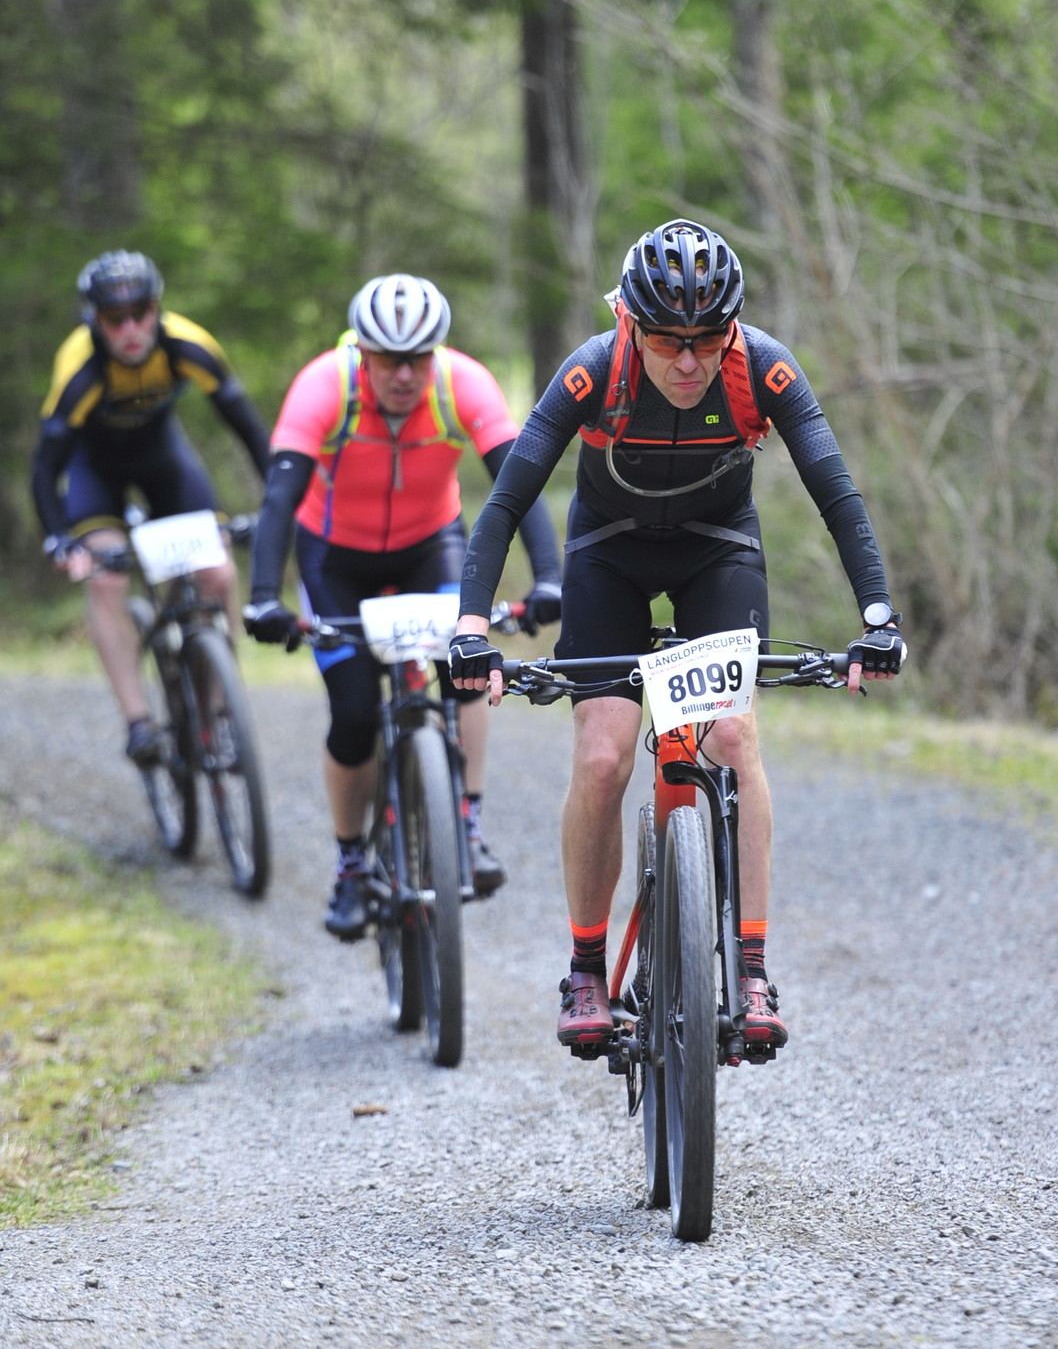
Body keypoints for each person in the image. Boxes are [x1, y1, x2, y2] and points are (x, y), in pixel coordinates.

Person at [449, 219, 906, 1054]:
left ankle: (753, 968)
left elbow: (836, 493)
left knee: (732, 736)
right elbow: (507, 501)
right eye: (667, 340)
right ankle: (587, 968)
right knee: (603, 755)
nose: (689, 361)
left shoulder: (763, 367)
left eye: (707, 339)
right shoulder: (593, 370)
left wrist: (878, 619)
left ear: (732, 328)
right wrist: (471, 630)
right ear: (631, 323)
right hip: (608, 554)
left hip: (716, 553)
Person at [243, 272, 562, 937]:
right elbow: (279, 500)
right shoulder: (324, 385)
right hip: (335, 558)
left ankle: (466, 826)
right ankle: (350, 866)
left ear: (435, 353)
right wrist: (264, 598)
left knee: (466, 668)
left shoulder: (462, 383)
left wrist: (550, 579)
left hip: (430, 547)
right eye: (389, 359)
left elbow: (518, 482)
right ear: (362, 351)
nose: (405, 375)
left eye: (418, 357)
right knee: (355, 712)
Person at [32, 250, 271, 763]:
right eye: (115, 318)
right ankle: (139, 721)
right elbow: (45, 467)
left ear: (156, 308)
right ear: (95, 320)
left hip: (165, 462)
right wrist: (59, 539)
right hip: (96, 472)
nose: (131, 329)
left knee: (217, 573)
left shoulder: (188, 343)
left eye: (140, 313)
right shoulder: (80, 368)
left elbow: (248, 429)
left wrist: (276, 501)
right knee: (106, 581)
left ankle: (219, 708)